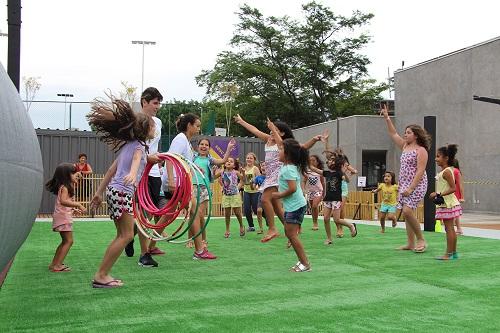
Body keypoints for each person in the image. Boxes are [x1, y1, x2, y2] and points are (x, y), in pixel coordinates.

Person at [89, 97, 155, 288]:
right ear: (145, 129)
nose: (154, 129)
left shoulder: (130, 145)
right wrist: (133, 174)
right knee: (126, 235)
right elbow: (136, 160)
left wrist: (98, 193)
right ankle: (101, 275)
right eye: (152, 126)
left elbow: (112, 170)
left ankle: (102, 274)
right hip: (122, 192)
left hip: (114, 191)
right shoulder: (139, 147)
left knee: (122, 235)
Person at [234, 114, 323, 243]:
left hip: (279, 175)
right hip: (270, 176)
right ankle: (291, 231)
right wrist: (242, 121)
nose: (271, 132)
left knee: (265, 199)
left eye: (274, 130)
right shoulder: (268, 140)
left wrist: (314, 139)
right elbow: (255, 130)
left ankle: (272, 228)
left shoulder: (283, 144)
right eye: (271, 130)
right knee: (276, 207)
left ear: (282, 133)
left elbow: (302, 148)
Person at [165, 113, 218, 260]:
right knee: (194, 212)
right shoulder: (181, 139)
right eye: (197, 125)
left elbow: (183, 161)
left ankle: (149, 249)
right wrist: (171, 181)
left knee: (168, 216)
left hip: (180, 182)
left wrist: (195, 168)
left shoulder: (186, 142)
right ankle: (199, 251)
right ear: (189, 125)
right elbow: (170, 159)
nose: (199, 129)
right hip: (176, 183)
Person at [381, 103, 429, 253]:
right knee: (407, 214)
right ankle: (410, 243)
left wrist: (411, 188)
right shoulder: (404, 146)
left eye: (408, 132)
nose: (405, 134)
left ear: (416, 135)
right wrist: (387, 118)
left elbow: (420, 171)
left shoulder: (421, 150)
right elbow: (393, 134)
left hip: (417, 184)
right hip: (404, 184)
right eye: (405, 132)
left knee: (408, 211)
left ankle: (421, 239)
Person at [124, 87, 164, 268]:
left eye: (159, 103)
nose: (158, 106)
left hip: (155, 172)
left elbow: (153, 146)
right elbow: (135, 150)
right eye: (155, 103)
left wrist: (159, 158)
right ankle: (144, 254)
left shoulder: (158, 122)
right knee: (142, 213)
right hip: (140, 173)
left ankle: (130, 235)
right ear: (144, 101)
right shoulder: (134, 121)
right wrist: (147, 159)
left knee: (148, 212)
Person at [178, 137, 236, 248]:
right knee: (192, 215)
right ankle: (190, 239)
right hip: (192, 188)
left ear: (209, 148)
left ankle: (203, 239)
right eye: (202, 144)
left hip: (204, 189)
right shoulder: (192, 157)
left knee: (199, 215)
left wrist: (228, 149)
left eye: (206, 145)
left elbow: (223, 161)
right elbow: (183, 162)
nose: (204, 146)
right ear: (198, 146)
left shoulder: (209, 159)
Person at [45, 163, 86, 272]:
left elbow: (63, 203)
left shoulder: (64, 186)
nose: (76, 175)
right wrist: (78, 205)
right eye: (73, 173)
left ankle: (54, 264)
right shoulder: (65, 187)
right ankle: (57, 265)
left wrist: (73, 209)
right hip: (63, 218)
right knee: (69, 241)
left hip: (62, 216)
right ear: (66, 176)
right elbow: (63, 201)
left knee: (65, 241)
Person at [310, 154, 358, 245]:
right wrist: (305, 162)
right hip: (328, 198)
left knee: (336, 219)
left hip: (336, 199)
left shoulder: (339, 173)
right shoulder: (327, 173)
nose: (329, 161)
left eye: (332, 160)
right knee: (325, 219)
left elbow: (347, 181)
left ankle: (351, 225)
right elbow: (315, 169)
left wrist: (344, 172)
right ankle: (329, 239)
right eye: (329, 160)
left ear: (337, 164)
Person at [430, 144, 462, 260]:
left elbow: (453, 188)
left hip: (447, 204)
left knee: (449, 229)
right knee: (450, 229)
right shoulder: (446, 171)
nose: (435, 159)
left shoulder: (447, 172)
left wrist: (437, 194)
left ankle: (448, 254)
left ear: (446, 158)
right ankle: (453, 253)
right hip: (448, 203)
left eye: (438, 156)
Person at [217, 157, 245, 238]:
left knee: (237, 213)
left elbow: (243, 180)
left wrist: (239, 186)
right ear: (225, 163)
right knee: (227, 214)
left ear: (234, 165)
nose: (229, 162)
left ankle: (241, 225)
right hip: (226, 196)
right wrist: (222, 186)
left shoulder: (236, 172)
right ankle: (227, 229)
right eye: (227, 161)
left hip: (235, 195)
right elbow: (216, 178)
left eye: (231, 161)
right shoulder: (222, 172)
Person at [241, 152, 261, 232]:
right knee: (246, 210)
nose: (248, 159)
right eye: (247, 158)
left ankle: (267, 219)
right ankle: (251, 226)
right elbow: (243, 181)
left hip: (255, 192)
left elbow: (259, 180)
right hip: (246, 192)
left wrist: (255, 185)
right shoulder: (244, 169)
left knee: (256, 210)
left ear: (254, 160)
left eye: (251, 158)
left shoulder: (255, 168)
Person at [304, 155, 325, 231]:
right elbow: (304, 180)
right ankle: (314, 222)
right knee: (312, 208)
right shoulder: (307, 171)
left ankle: (315, 223)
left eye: (313, 160)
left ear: (317, 162)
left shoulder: (320, 171)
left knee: (315, 206)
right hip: (310, 191)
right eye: (310, 161)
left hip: (318, 191)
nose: (312, 162)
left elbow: (323, 182)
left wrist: (324, 193)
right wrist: (304, 189)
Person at [452, 160, 465, 235]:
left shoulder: (456, 172)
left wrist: (462, 197)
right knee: (453, 212)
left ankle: (459, 228)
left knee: (455, 212)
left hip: (455, 195)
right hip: (451, 195)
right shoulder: (449, 171)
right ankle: (457, 228)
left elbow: (460, 185)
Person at [254, 162, 267, 234]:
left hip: (271, 195)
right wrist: (253, 185)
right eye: (262, 166)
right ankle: (261, 228)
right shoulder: (258, 178)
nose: (264, 167)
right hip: (261, 195)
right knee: (259, 211)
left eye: (265, 165)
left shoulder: (271, 177)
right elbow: (253, 186)